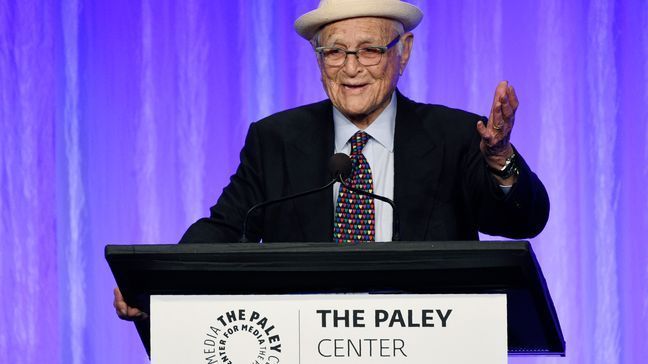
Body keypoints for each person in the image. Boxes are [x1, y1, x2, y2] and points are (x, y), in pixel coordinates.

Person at [114, 0, 549, 320]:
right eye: (335, 52)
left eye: (370, 50)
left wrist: (499, 158)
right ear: (319, 60)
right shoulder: (277, 139)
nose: (351, 67)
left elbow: (520, 220)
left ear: (404, 52)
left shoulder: (455, 135)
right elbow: (228, 228)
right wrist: (158, 285)